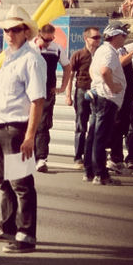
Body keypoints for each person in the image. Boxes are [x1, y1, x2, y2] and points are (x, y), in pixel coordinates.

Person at [0, 6, 46, 253]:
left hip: (17, 130)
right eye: (6, 29)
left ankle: (26, 235)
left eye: (15, 29)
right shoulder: (7, 57)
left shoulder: (32, 59)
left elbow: (38, 100)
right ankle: (7, 226)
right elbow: (6, 92)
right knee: (3, 182)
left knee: (21, 184)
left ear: (26, 31)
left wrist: (30, 136)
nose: (10, 33)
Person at [84, 23, 129, 184]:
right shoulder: (109, 52)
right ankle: (100, 174)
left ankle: (89, 171)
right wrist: (112, 87)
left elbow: (92, 70)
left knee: (93, 136)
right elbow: (104, 71)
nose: (125, 38)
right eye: (123, 35)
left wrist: (97, 85)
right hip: (107, 98)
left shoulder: (101, 50)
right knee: (100, 137)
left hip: (99, 96)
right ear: (116, 36)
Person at [60, 26, 101, 167]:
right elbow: (70, 76)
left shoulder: (101, 54)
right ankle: (78, 157)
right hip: (82, 91)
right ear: (86, 39)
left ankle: (93, 157)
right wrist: (68, 95)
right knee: (81, 125)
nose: (98, 40)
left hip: (98, 91)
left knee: (97, 126)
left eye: (99, 37)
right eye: (95, 37)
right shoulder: (78, 55)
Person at [32, 22, 63, 172]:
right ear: (39, 36)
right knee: (26, 124)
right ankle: (28, 157)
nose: (49, 42)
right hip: (29, 92)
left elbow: (68, 66)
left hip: (47, 93)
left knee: (43, 125)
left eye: (51, 39)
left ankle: (41, 158)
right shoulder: (30, 48)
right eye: (46, 39)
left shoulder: (56, 48)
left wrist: (62, 87)